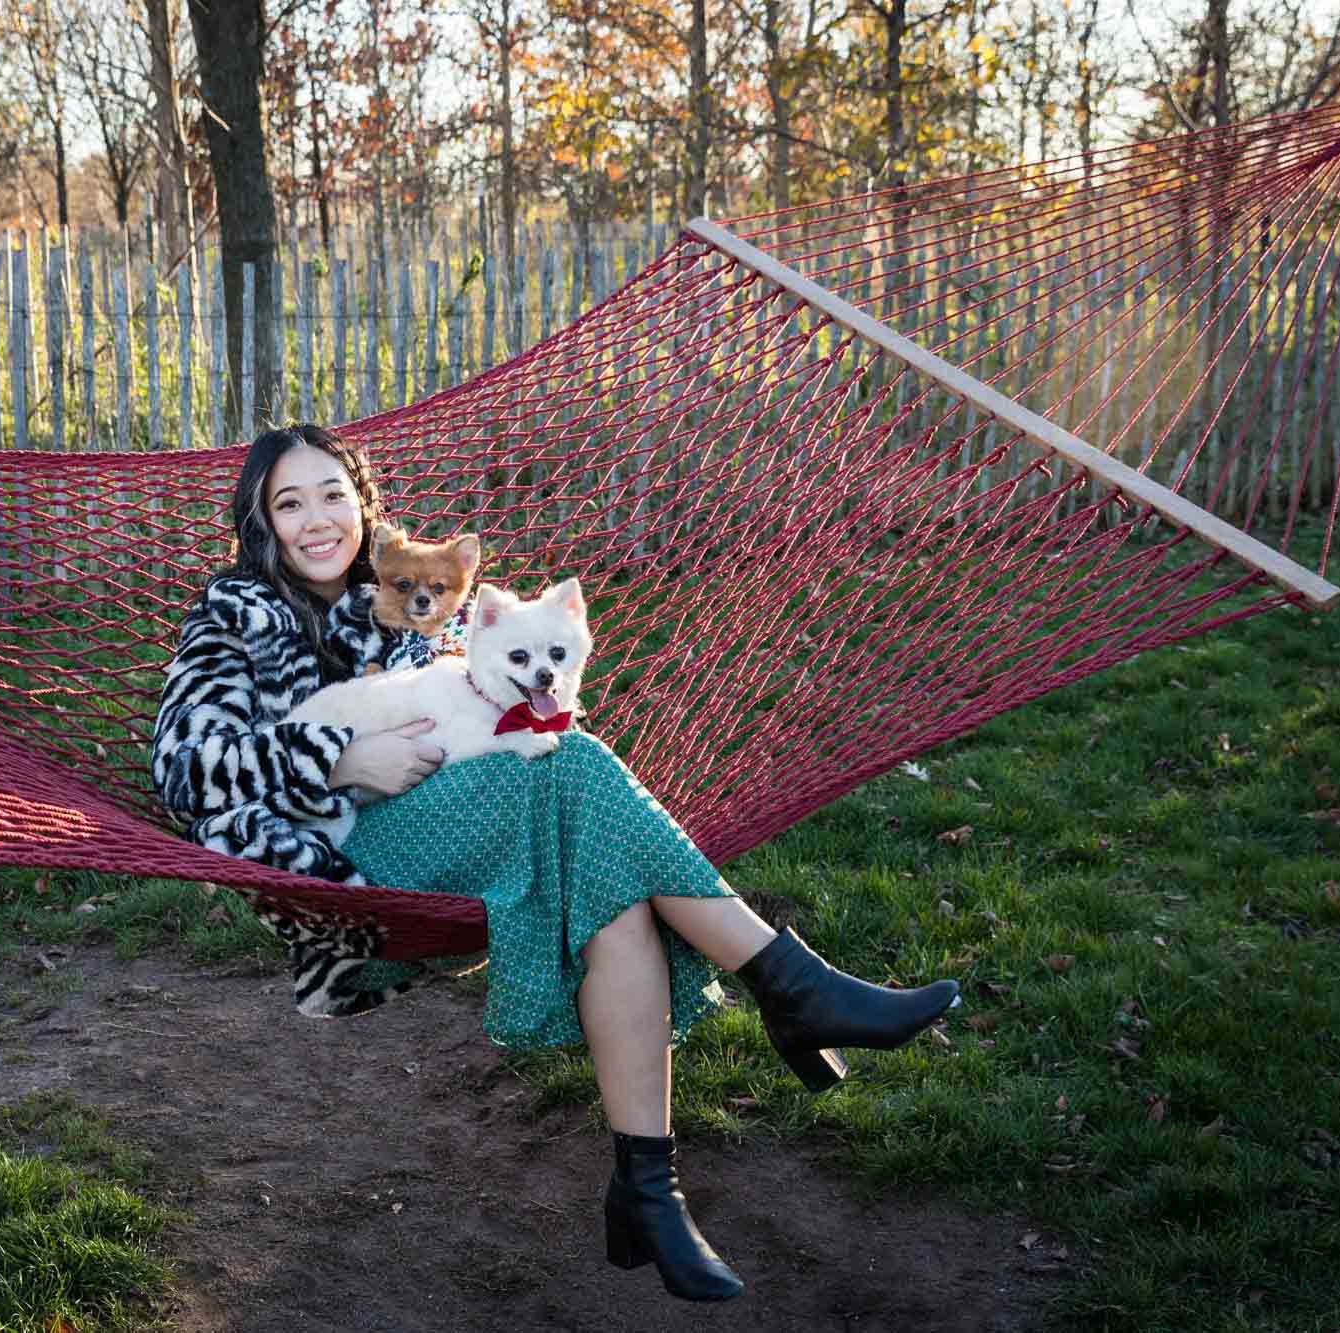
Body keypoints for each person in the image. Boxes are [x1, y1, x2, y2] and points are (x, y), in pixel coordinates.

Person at [152, 424, 960, 1302]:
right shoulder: (234, 619)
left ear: (363, 504)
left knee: (608, 876)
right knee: (571, 771)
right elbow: (184, 765)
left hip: (455, 835)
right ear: (262, 521)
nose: (317, 519)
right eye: (290, 502)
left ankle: (650, 1190)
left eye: (333, 495)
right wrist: (339, 758)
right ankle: (788, 987)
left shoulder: (408, 592)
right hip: (339, 869)